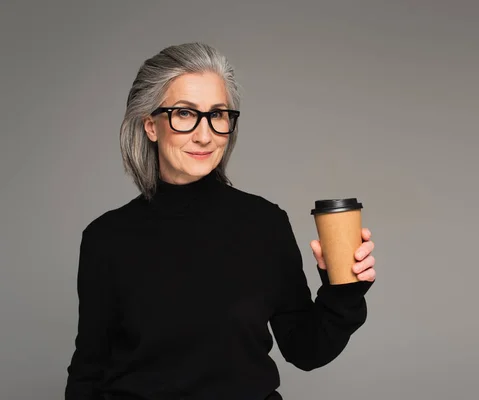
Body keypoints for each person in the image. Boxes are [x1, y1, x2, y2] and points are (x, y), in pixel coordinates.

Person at [65, 42, 376, 400]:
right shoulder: (106, 239)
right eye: (184, 113)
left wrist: (343, 292)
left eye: (218, 114)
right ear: (151, 126)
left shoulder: (264, 224)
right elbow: (88, 371)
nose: (204, 134)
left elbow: (306, 350)